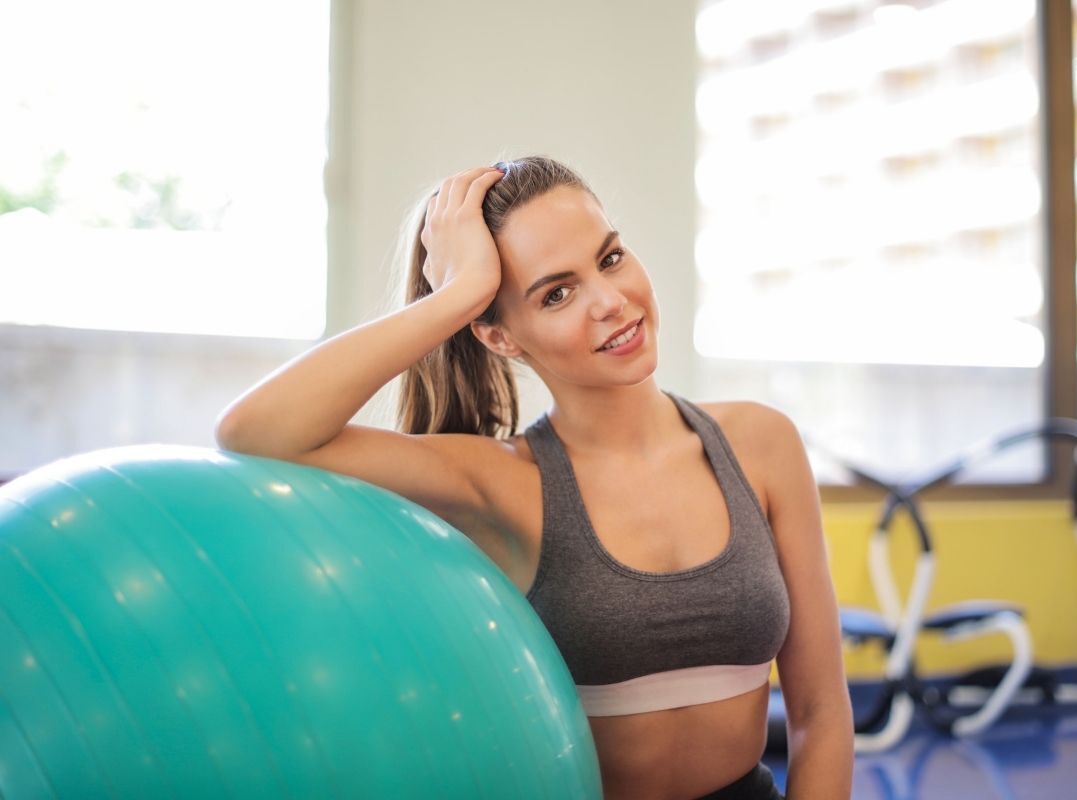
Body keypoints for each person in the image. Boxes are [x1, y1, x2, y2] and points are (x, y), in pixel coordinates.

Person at [215, 155, 853, 799]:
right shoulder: (500, 483)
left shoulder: (760, 443)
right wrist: (460, 294)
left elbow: (821, 712)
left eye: (610, 258)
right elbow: (257, 432)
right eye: (557, 292)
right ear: (499, 338)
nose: (612, 302)